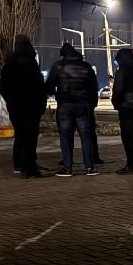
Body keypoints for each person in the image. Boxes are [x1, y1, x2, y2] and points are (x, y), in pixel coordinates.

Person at [45, 43, 99, 177]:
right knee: (86, 136)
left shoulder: (58, 66)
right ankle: (90, 167)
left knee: (65, 136)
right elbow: (94, 87)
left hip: (65, 105)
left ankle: (67, 168)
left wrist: (56, 94)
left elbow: (49, 85)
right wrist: (91, 104)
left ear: (63, 55)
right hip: (83, 105)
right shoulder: (86, 66)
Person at [0, 35, 46, 178]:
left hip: (16, 108)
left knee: (20, 136)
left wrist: (11, 101)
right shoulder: (32, 65)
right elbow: (40, 87)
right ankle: (29, 167)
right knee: (31, 137)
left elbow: (3, 89)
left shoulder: (9, 66)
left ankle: (19, 165)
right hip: (32, 107)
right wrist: (41, 105)